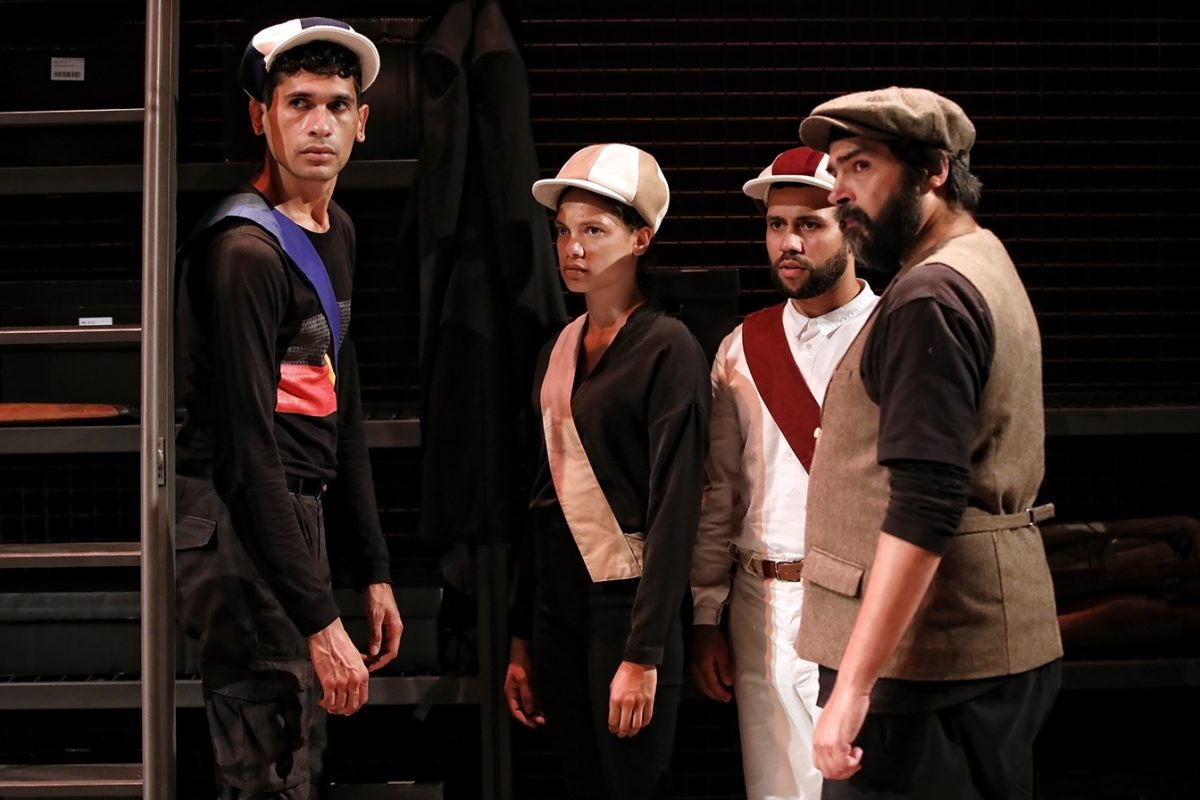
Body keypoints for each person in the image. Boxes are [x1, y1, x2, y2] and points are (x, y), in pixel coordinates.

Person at [795, 86, 1063, 799]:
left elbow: (925, 502)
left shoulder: (929, 297)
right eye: (835, 170)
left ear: (933, 170)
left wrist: (854, 688)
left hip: (929, 669)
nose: (839, 192)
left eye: (860, 167)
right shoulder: (981, 258)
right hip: (977, 647)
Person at [173, 17, 402, 799]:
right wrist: (316, 617)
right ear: (259, 115)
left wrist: (371, 567)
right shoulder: (244, 251)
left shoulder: (336, 231)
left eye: (339, 104)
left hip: (294, 513)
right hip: (241, 526)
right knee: (269, 770)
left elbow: (345, 404)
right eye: (298, 101)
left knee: (302, 755)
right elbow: (244, 453)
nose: (319, 123)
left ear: (363, 123)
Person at [503, 143, 711, 799]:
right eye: (564, 231)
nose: (573, 247)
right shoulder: (556, 348)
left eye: (594, 231)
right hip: (555, 611)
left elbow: (677, 509)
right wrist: (520, 640)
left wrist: (644, 653)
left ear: (641, 238)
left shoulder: (668, 348)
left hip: (627, 610)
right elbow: (537, 499)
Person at [689, 146, 877, 800]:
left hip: (860, 604)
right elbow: (721, 492)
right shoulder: (741, 346)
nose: (788, 242)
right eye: (775, 225)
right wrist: (706, 613)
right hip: (758, 604)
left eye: (809, 224)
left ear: (850, 225)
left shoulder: (894, 330)